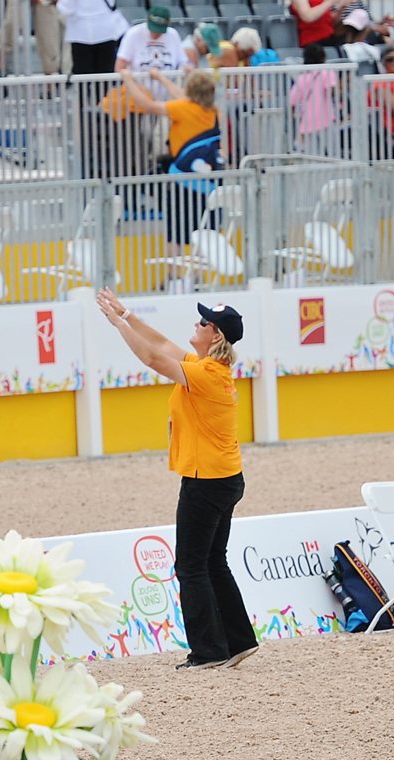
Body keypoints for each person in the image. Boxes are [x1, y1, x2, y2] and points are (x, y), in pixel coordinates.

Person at [96, 290, 259, 671]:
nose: (196, 323)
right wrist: (130, 315)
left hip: (206, 481)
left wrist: (118, 325)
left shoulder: (203, 374)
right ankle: (237, 642)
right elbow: (163, 344)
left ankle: (209, 651)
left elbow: (153, 357)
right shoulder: (209, 369)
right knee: (214, 562)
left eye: (204, 322)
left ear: (215, 336)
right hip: (224, 477)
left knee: (190, 566)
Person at [119, 66, 221, 284]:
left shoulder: (183, 108)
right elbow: (183, 98)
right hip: (207, 185)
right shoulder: (212, 112)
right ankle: (197, 278)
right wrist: (162, 78)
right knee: (202, 231)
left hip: (181, 182)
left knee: (176, 231)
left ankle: (174, 278)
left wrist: (129, 79)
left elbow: (147, 105)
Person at [115, 5, 189, 80]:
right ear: (146, 20)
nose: (156, 34)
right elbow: (120, 67)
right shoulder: (133, 34)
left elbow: (182, 61)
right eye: (153, 30)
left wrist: (186, 67)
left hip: (167, 88)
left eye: (159, 31)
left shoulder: (173, 34)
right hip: (138, 88)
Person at [289, 41, 338, 156]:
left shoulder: (302, 77)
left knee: (311, 155)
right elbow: (333, 91)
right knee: (334, 153)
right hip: (325, 119)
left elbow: (293, 100)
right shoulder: (327, 72)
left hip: (307, 122)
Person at [57, 0, 129, 75]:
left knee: (88, 78)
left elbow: (65, 9)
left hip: (86, 34)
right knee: (101, 77)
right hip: (96, 33)